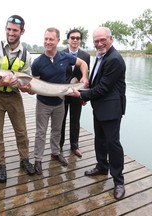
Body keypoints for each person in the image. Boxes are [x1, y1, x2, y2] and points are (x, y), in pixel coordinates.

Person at [68, 27, 126, 200]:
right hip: (100, 107)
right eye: (96, 41)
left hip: (111, 109)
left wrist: (82, 95)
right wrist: (86, 93)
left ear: (111, 39)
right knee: (99, 139)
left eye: (103, 40)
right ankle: (102, 166)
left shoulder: (114, 59)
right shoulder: (101, 56)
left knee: (113, 143)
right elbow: (96, 82)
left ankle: (119, 181)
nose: (99, 43)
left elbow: (103, 88)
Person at [0, 15, 35, 183]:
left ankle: (24, 159)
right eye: (8, 29)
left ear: (22, 32)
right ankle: (1, 165)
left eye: (15, 30)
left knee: (22, 131)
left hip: (14, 96)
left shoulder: (26, 55)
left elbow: (27, 84)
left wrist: (26, 88)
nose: (10, 33)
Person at [32, 27, 89, 175]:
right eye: (46, 39)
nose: (48, 42)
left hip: (59, 103)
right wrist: (28, 88)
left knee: (57, 131)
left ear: (57, 40)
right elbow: (35, 87)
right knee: (40, 132)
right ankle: (38, 159)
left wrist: (84, 77)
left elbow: (83, 64)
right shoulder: (37, 63)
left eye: (51, 39)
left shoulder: (64, 57)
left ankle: (55, 153)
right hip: (43, 104)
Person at [60, 29, 90, 158]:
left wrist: (85, 96)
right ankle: (59, 145)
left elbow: (86, 77)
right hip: (62, 92)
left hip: (78, 92)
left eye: (78, 38)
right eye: (73, 38)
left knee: (75, 119)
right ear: (68, 39)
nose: (75, 40)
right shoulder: (60, 54)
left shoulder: (86, 56)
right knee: (60, 119)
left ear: (80, 40)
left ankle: (74, 145)